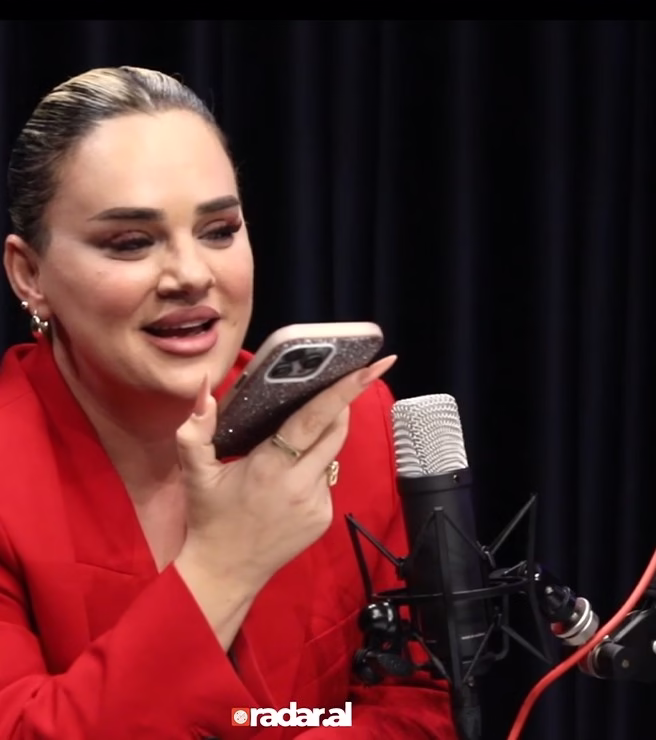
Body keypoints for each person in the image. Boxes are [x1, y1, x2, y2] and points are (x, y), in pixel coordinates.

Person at [0, 66, 457, 739]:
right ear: (29, 274)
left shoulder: (353, 424)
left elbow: (418, 704)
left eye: (218, 230)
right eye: (131, 242)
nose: (192, 275)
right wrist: (223, 566)